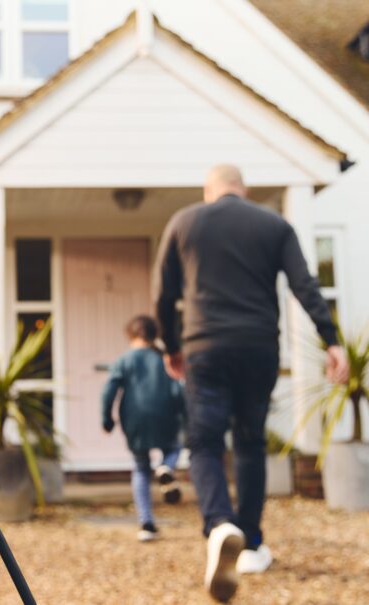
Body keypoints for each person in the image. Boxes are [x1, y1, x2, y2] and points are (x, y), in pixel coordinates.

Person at [154, 164, 348, 602]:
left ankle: (220, 523)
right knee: (249, 443)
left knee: (204, 442)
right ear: (243, 189)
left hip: (204, 347)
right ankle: (252, 544)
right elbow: (305, 284)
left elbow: (163, 293)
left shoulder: (184, 222)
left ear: (209, 192)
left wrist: (171, 345)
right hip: (259, 347)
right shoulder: (274, 224)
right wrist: (331, 340)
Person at [101, 315, 185, 542]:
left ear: (131, 335)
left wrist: (106, 419)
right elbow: (178, 390)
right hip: (165, 415)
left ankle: (146, 523)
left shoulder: (124, 361)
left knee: (140, 467)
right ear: (154, 335)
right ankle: (166, 467)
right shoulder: (164, 359)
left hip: (134, 418)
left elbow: (109, 390)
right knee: (174, 446)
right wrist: (184, 416)